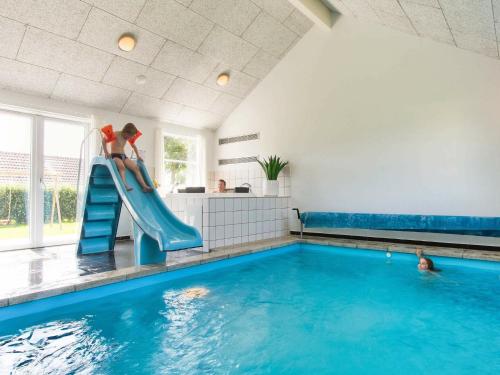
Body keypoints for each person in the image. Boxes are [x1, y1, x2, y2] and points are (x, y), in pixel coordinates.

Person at [102, 123, 153, 193]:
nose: (129, 138)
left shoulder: (127, 137)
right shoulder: (116, 134)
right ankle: (125, 185)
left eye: (131, 136)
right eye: (129, 136)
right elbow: (104, 140)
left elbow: (134, 146)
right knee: (122, 167)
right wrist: (106, 152)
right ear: (126, 131)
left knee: (136, 168)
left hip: (123, 156)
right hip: (115, 155)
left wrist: (138, 156)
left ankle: (144, 187)